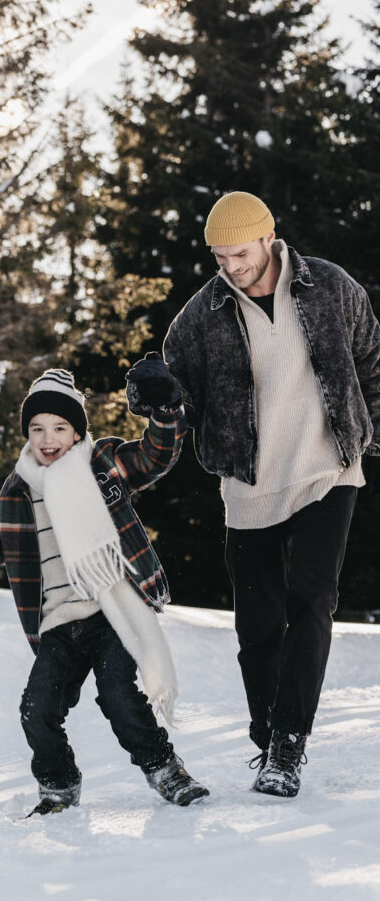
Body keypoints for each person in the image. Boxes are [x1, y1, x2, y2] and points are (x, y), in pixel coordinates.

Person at [163, 190, 380, 797]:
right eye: (218, 257)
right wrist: (152, 394)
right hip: (250, 482)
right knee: (258, 624)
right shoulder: (203, 314)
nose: (230, 266)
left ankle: (289, 745)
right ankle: (266, 739)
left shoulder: (331, 288)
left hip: (326, 469)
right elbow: (172, 390)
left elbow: (371, 359)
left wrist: (372, 432)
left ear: (268, 238)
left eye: (238, 253)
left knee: (312, 600)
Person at [0, 366, 209, 815]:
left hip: (110, 610)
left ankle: (165, 769)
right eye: (37, 428)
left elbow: (156, 456)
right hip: (58, 623)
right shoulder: (16, 491)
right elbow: (2, 546)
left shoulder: (101, 463)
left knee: (118, 695)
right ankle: (58, 784)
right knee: (36, 711)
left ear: (77, 431)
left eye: (60, 427)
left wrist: (164, 409)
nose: (47, 438)